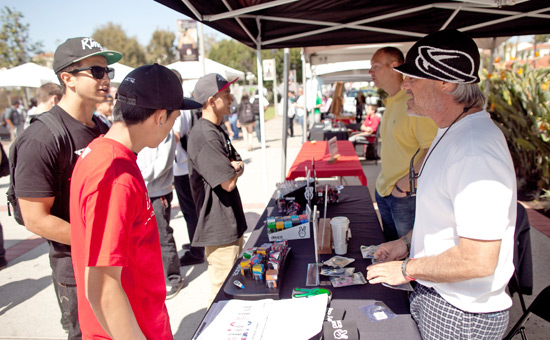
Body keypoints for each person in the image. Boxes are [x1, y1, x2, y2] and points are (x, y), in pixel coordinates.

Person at [366, 29, 516, 340]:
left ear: (446, 82)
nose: (404, 84)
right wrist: (406, 242)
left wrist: (406, 269)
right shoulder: (450, 131)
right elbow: (444, 217)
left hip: (461, 313)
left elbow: (478, 259)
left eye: (413, 78)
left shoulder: (474, 149)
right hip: (441, 299)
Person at [70, 63, 201, 339]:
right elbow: (103, 287)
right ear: (159, 117)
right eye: (174, 119)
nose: (171, 129)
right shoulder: (114, 175)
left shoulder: (100, 152)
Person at [13, 37, 121, 339]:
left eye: (107, 71)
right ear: (67, 79)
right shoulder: (42, 138)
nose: (105, 79)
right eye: (96, 72)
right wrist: (97, 239)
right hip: (76, 268)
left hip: (111, 259)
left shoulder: (101, 127)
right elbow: (35, 218)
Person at [188, 73, 248, 304]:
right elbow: (228, 182)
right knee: (224, 297)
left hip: (230, 224)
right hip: (219, 230)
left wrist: (237, 166)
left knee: (235, 288)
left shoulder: (217, 129)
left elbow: (238, 161)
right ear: (212, 100)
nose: (232, 98)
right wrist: (235, 168)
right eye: (226, 94)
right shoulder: (205, 135)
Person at [369, 46, 438, 241]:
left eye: (375, 66)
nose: (370, 72)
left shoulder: (413, 102)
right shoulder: (392, 102)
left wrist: (404, 186)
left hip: (404, 195)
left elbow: (431, 148)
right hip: (385, 190)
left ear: (394, 67)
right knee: (390, 252)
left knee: (409, 254)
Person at [170, 69, 205, 267]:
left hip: (182, 166)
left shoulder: (179, 107)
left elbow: (175, 136)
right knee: (190, 210)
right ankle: (196, 244)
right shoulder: (181, 104)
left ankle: (197, 250)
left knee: (190, 211)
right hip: (183, 165)